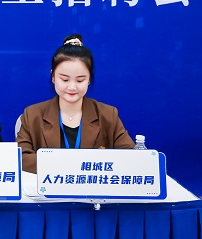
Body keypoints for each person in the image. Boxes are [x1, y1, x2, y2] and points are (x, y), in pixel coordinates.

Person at [16, 34, 135, 173]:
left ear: (89, 79)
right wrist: (67, 164)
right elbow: (20, 159)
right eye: (65, 79)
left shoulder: (108, 115)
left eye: (80, 80)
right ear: (53, 77)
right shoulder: (32, 115)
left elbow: (131, 158)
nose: (72, 87)